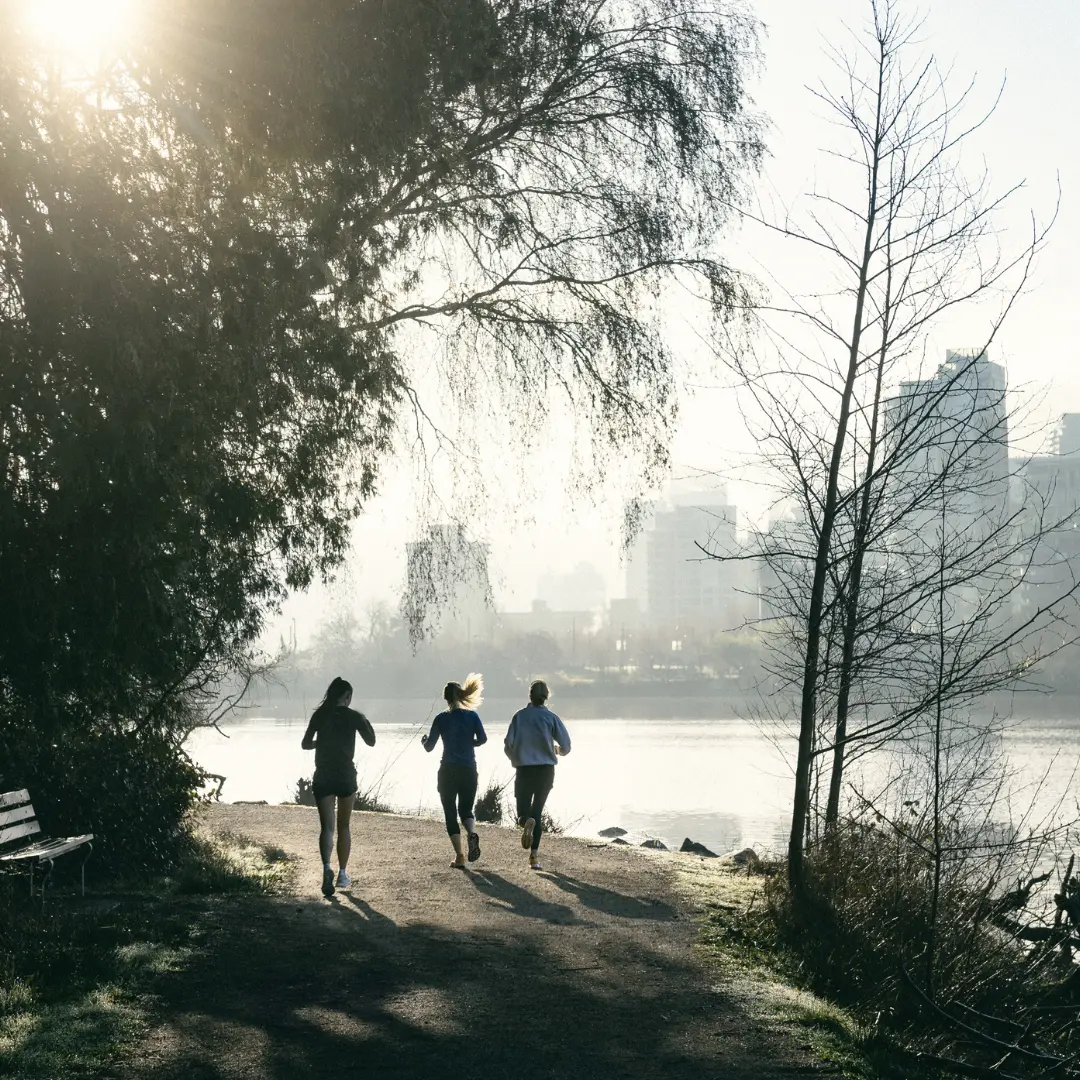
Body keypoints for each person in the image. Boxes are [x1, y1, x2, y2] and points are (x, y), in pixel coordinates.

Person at [300, 677, 376, 898]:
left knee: (327, 828)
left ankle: (326, 868)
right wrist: (365, 719)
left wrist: (321, 744)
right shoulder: (354, 717)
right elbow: (371, 741)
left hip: (323, 774)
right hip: (345, 775)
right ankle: (342, 873)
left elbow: (305, 744)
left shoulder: (319, 715)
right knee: (344, 826)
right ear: (348, 697)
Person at [421, 673, 487, 868]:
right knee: (466, 809)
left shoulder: (441, 718)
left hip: (448, 770)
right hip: (468, 769)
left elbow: (429, 747)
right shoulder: (472, 716)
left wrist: (424, 740)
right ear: (461, 696)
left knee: (450, 812)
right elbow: (483, 739)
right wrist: (470, 743)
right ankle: (471, 833)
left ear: (445, 698)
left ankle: (459, 856)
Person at [504, 680, 571, 870]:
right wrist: (557, 751)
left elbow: (508, 744)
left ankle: (526, 822)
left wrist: (515, 758)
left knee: (523, 814)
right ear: (546, 697)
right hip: (546, 771)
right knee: (537, 812)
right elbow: (566, 746)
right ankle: (534, 858)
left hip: (524, 769)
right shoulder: (551, 718)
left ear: (530, 696)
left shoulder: (519, 717)